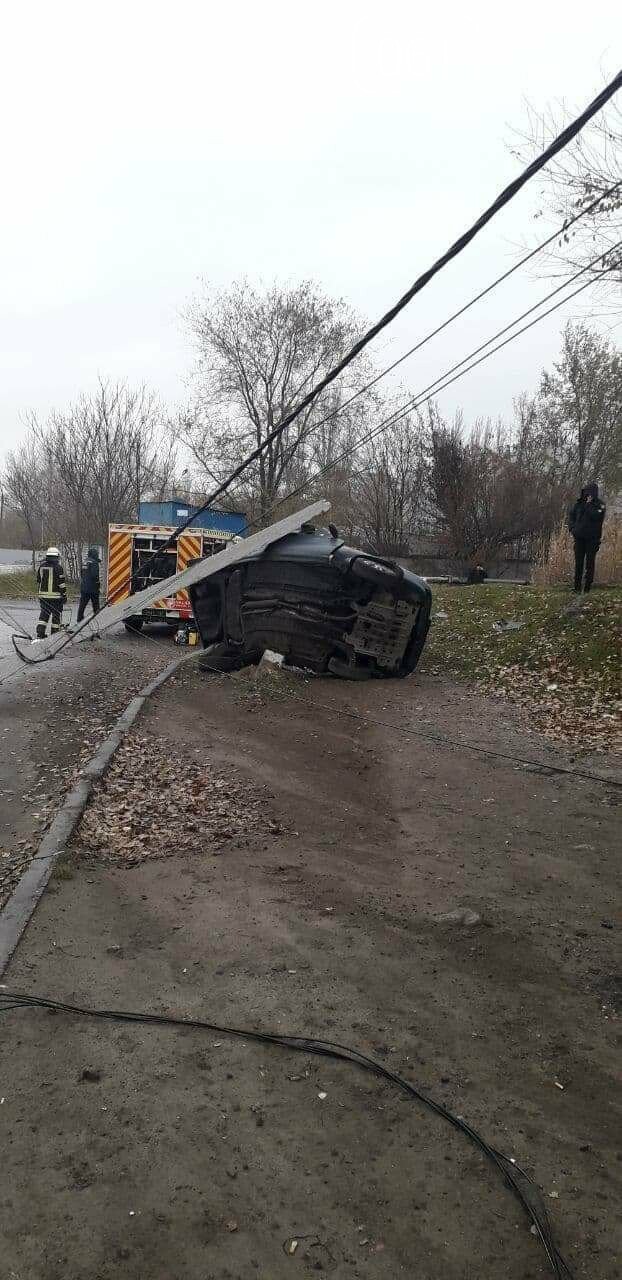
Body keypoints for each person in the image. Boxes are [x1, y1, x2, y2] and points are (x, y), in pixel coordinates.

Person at [567, 482, 606, 593]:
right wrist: (572, 528)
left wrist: (589, 505)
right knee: (578, 563)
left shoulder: (600, 505)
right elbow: (572, 516)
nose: (588, 495)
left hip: (592, 539)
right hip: (579, 537)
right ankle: (577, 587)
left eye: (590, 493)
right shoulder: (579, 504)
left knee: (590, 563)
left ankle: (587, 587)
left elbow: (597, 516)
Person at [35, 546, 67, 638]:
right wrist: (64, 595)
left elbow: (38, 580)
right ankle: (54, 635)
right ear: (57, 557)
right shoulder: (59, 568)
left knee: (44, 616)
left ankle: (40, 634)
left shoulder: (41, 567)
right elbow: (62, 584)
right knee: (56, 616)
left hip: (43, 597)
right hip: (56, 598)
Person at [77, 546, 101, 621]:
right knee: (96, 605)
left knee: (82, 605)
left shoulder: (85, 562)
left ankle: (79, 619)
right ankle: (97, 618)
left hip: (84, 588)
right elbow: (95, 575)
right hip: (93, 589)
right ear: (95, 555)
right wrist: (98, 584)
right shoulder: (94, 563)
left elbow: (81, 573)